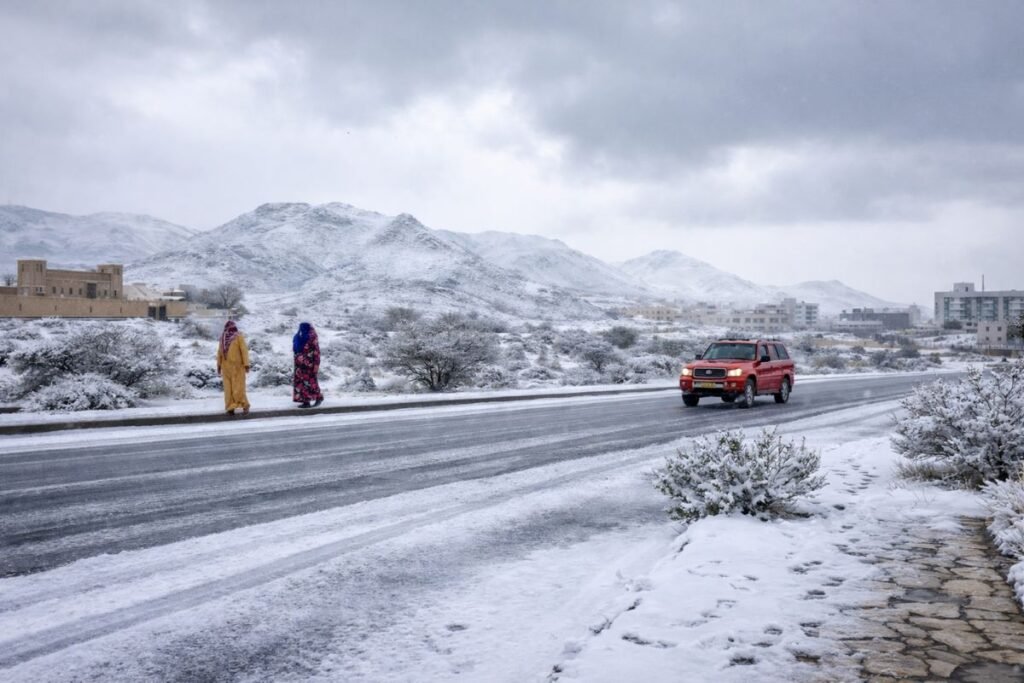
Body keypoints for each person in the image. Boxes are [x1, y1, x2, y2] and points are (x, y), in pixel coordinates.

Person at [216, 320, 250, 415]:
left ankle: (245, 405)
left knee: (239, 388)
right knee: (228, 389)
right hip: (226, 368)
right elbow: (219, 353)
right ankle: (230, 408)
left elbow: (244, 351)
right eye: (228, 328)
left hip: (238, 367)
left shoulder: (238, 337)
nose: (230, 330)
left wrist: (246, 364)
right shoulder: (222, 338)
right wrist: (218, 365)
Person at [292, 321, 323, 408]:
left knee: (311, 382)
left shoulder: (312, 337)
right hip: (299, 365)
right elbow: (295, 349)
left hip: (309, 364)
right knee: (301, 383)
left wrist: (316, 364)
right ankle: (306, 401)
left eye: (304, 327)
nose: (302, 328)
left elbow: (316, 351)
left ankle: (318, 397)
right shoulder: (299, 336)